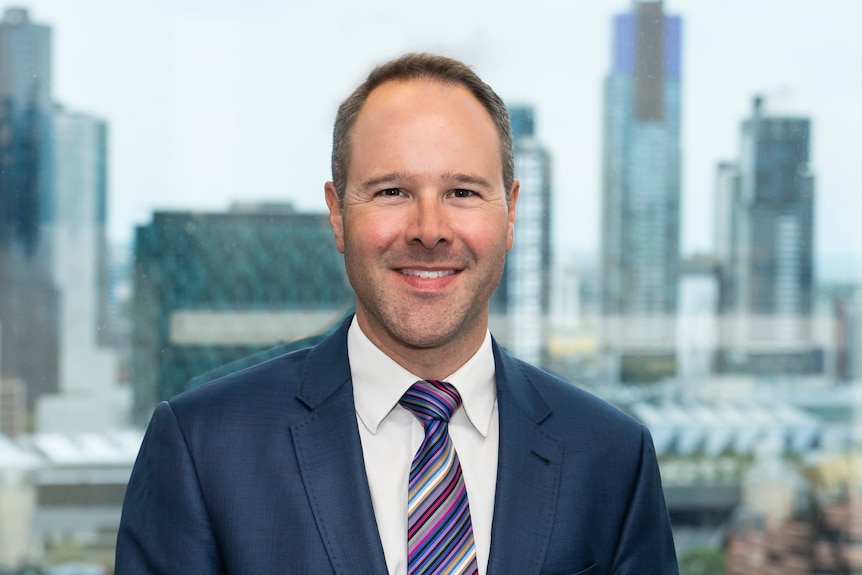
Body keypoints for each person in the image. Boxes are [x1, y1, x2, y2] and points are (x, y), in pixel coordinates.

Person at [115, 53, 679, 575]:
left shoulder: (611, 458)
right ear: (337, 215)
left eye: (462, 192)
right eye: (391, 192)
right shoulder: (202, 448)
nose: (428, 230)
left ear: (511, 216)